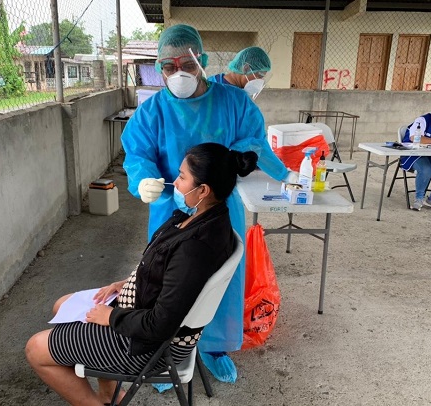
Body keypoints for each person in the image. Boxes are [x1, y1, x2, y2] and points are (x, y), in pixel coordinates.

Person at [121, 24, 297, 384]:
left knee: (221, 279)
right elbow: (137, 152)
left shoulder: (233, 102)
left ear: (200, 60)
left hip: (220, 210)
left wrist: (246, 156)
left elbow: (253, 138)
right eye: (167, 67)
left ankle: (214, 346)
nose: (177, 73)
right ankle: (165, 355)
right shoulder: (153, 111)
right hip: (171, 210)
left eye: (185, 63)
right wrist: (143, 181)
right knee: (165, 285)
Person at [25, 143, 259, 405]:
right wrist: (126, 283)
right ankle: (108, 394)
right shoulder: (206, 219)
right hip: (143, 312)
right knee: (63, 304)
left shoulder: (196, 247)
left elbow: (161, 323)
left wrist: (111, 316)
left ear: (203, 190)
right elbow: (173, 279)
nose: (175, 182)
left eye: (182, 177)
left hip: (149, 345)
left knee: (36, 349)